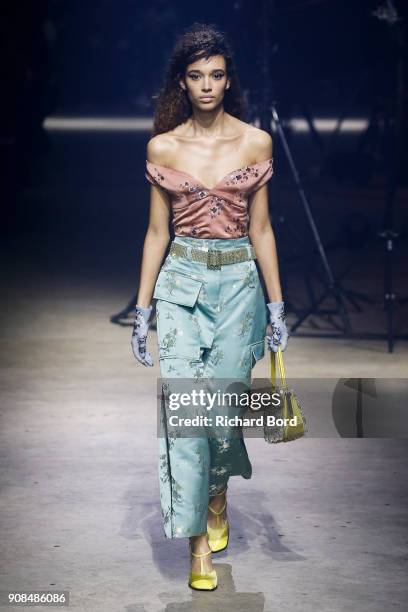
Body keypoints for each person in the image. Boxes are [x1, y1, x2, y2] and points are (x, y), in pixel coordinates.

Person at [131, 22, 289, 591]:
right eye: (196, 76)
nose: (206, 85)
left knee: (221, 413)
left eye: (216, 75)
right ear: (182, 81)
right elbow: (156, 233)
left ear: (228, 80)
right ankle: (198, 543)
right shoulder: (163, 147)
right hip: (180, 286)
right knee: (186, 418)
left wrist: (276, 306)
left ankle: (217, 494)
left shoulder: (255, 142)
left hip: (240, 289)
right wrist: (143, 308)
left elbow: (264, 230)